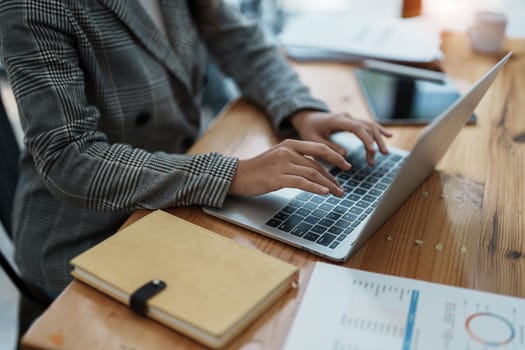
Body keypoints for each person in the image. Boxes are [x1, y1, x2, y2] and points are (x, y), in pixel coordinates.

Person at [0, 0, 391, 295]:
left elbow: (236, 38)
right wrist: (232, 173)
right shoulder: (36, 6)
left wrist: (299, 108)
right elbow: (69, 158)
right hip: (90, 234)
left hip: (175, 201)